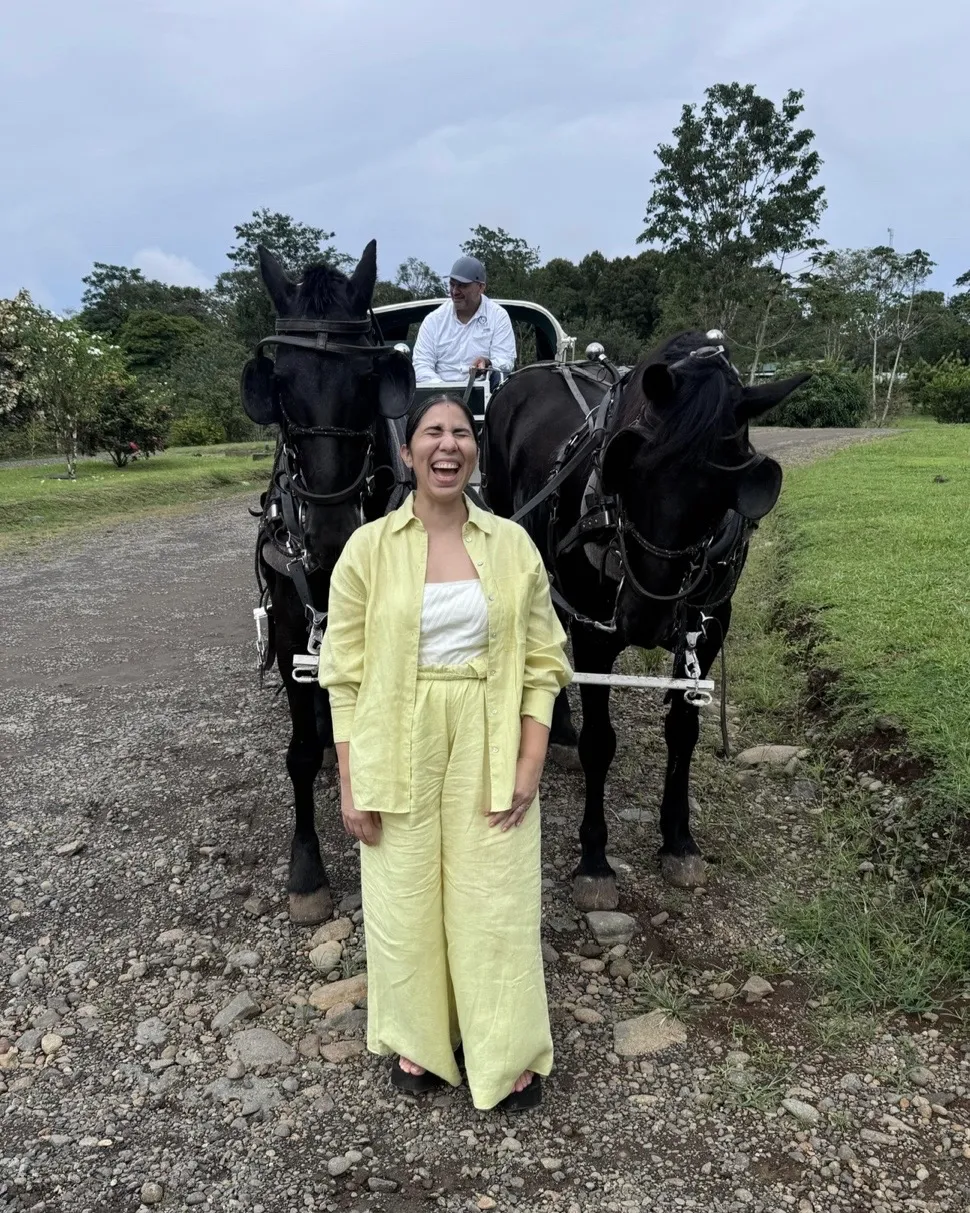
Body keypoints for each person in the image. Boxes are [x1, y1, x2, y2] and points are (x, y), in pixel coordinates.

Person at [318, 393, 571, 1112]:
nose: (447, 444)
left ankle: (504, 1049)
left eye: (461, 432)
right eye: (432, 432)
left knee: (496, 897)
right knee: (403, 897)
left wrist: (530, 762)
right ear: (408, 452)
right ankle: (420, 1038)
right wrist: (350, 781)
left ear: (475, 453)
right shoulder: (369, 549)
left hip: (490, 734)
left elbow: (545, 662)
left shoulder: (512, 545)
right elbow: (343, 674)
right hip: (393, 735)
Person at [411, 256, 516, 386]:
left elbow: (505, 361)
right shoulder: (433, 321)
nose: (455, 291)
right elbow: (421, 366)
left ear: (481, 287)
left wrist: (487, 363)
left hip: (486, 393)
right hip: (439, 394)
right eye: (452, 284)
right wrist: (445, 391)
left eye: (462, 286)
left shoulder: (498, 316)